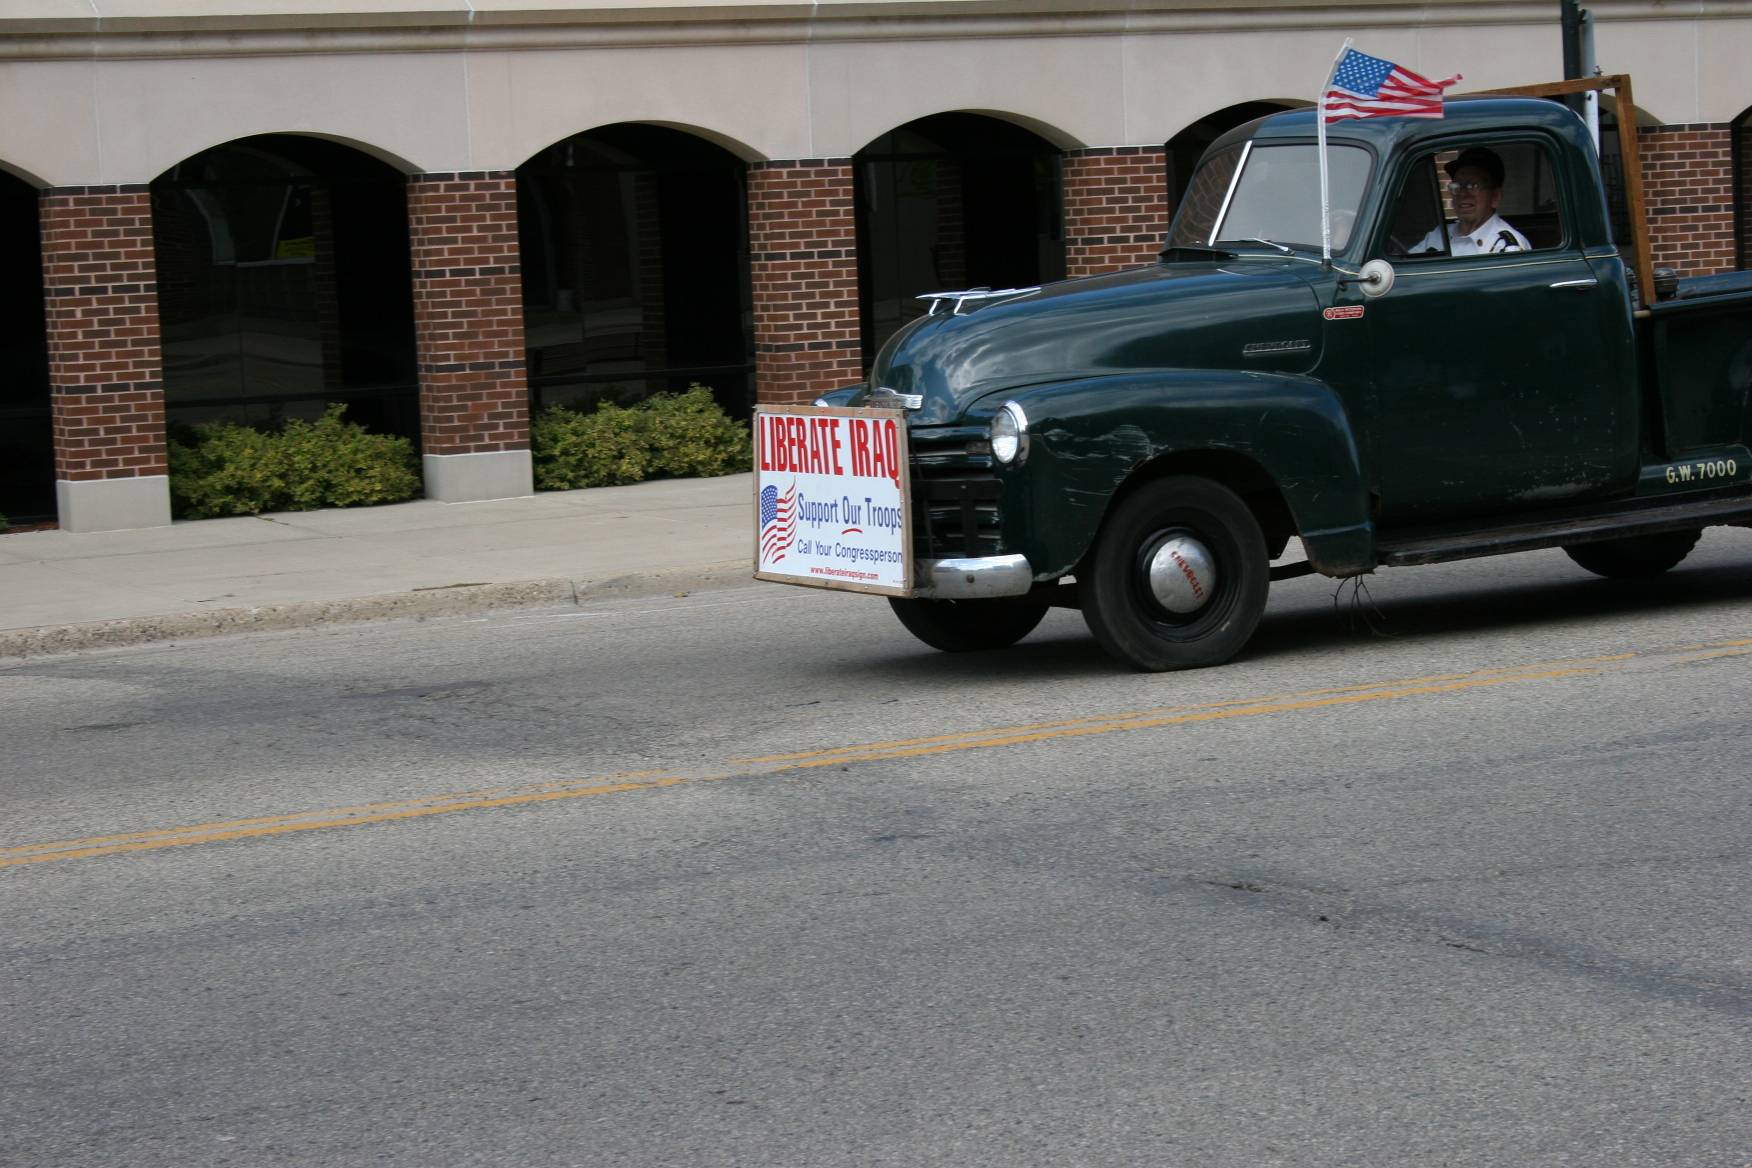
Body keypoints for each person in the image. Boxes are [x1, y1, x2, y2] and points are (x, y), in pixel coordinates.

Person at [1414, 146, 1531, 256]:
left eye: (1473, 186)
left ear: (1495, 197)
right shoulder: (1438, 235)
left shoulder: (1507, 248)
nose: (1462, 193)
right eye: (1457, 186)